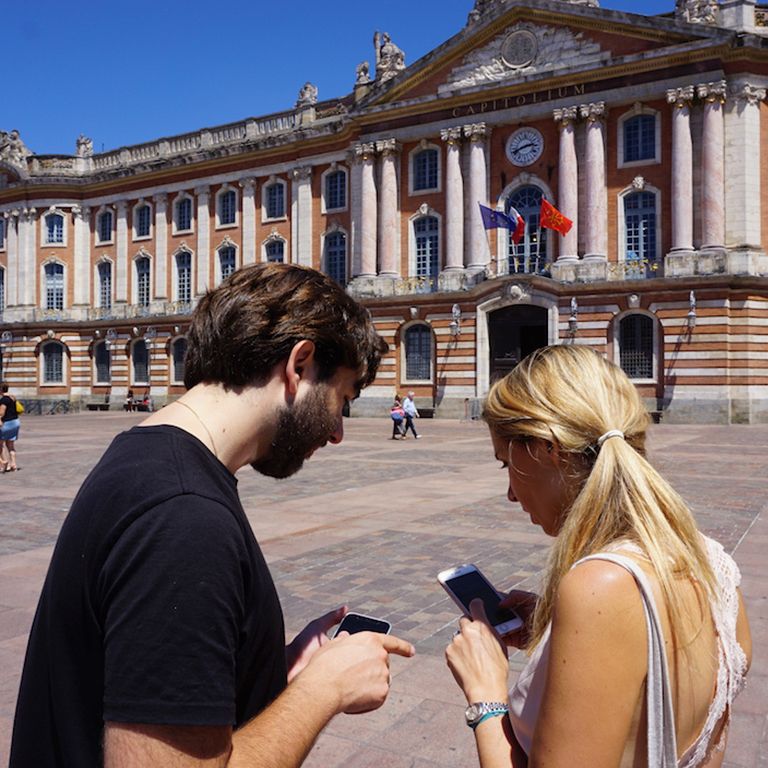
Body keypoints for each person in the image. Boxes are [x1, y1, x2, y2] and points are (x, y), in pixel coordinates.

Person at [11, 263, 415, 767]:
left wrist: (267, 674)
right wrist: (323, 692)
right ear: (301, 363)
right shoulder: (185, 520)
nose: (336, 432)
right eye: (343, 399)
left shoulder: (144, 458)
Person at [445, 345, 752, 767]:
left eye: (506, 465)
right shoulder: (710, 560)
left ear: (548, 449)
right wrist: (556, 630)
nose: (511, 493)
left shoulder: (599, 587)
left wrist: (486, 696)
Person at [0, 382, 21, 472]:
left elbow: (2, 412)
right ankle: (14, 464)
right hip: (15, 422)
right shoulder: (12, 398)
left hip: (7, 423)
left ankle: (6, 463)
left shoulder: (4, 400)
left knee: (0, 444)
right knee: (11, 445)